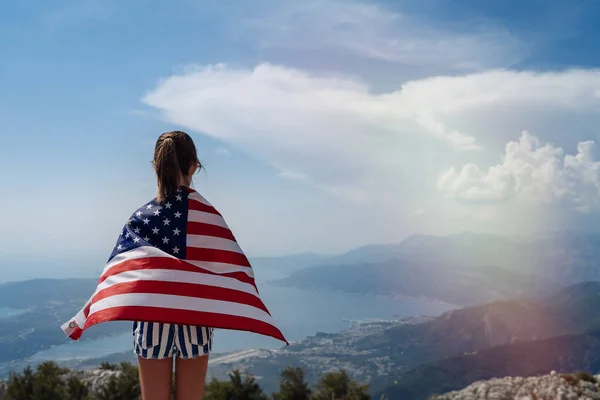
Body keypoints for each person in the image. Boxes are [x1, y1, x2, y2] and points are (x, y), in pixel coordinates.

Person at [134, 130, 212, 400]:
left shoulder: (140, 219)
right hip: (196, 316)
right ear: (193, 166)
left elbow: (124, 273)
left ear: (156, 166)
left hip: (152, 316)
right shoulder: (209, 219)